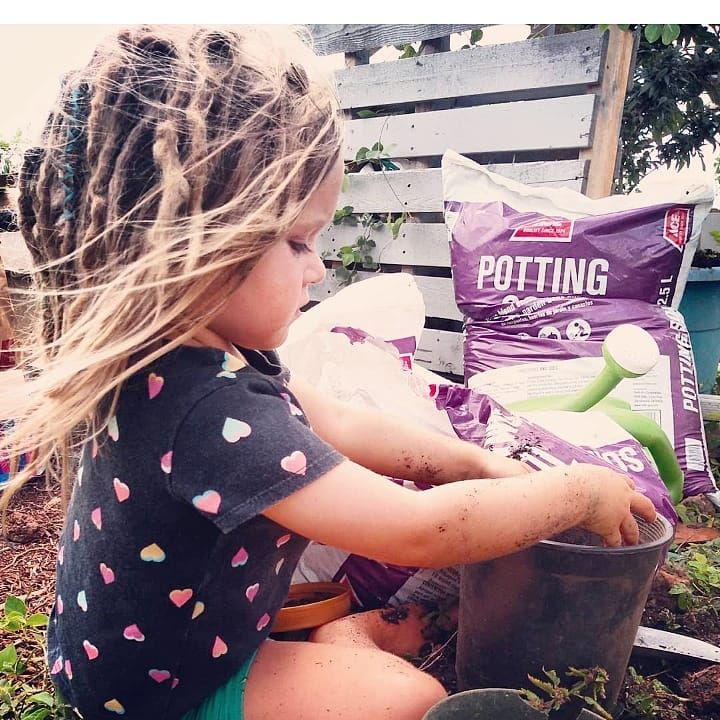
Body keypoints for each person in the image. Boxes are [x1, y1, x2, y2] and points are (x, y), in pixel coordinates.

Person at [0, 24, 656, 720]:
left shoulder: (186, 356)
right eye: (298, 242)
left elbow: (332, 419)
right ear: (186, 246)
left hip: (151, 646)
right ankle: (326, 649)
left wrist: (473, 462)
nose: (317, 268)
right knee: (411, 700)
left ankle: (329, 642)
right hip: (160, 694)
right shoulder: (204, 414)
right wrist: (580, 492)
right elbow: (420, 530)